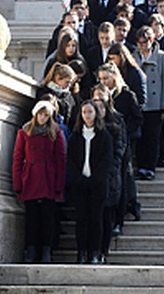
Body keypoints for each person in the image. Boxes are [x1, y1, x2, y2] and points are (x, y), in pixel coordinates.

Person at [13, 100, 66, 263]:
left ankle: (46, 250)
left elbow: (61, 159)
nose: (43, 118)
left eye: (46, 115)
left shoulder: (55, 132)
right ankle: (31, 249)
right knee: (32, 217)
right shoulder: (25, 132)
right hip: (30, 177)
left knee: (47, 218)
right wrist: (17, 183)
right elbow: (17, 158)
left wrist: (59, 185)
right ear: (35, 114)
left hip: (48, 177)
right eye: (41, 114)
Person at [66, 99, 113, 264]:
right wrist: (79, 179)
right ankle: (81, 252)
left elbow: (106, 161)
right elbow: (70, 161)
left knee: (96, 219)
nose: (87, 115)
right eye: (84, 112)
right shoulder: (75, 136)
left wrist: (94, 180)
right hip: (79, 185)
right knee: (81, 220)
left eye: (90, 112)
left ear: (96, 114)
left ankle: (94, 252)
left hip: (98, 185)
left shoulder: (104, 136)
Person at [98, 63, 143, 230]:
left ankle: (120, 218)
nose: (103, 82)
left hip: (123, 144)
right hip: (104, 144)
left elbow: (137, 117)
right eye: (101, 79)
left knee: (123, 182)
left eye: (106, 78)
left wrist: (124, 132)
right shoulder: (99, 96)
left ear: (114, 77)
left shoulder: (126, 95)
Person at [90, 85, 126, 264]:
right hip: (92, 180)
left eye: (101, 108)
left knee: (106, 218)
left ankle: (103, 251)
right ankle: (92, 251)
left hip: (109, 179)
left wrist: (108, 172)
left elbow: (120, 153)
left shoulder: (115, 128)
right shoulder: (88, 130)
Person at [133, 26, 164, 180]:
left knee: (153, 137)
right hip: (140, 104)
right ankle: (141, 167)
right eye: (139, 42)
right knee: (140, 138)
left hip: (156, 104)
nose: (142, 46)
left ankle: (150, 167)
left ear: (151, 41)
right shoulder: (134, 56)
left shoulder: (162, 57)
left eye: (144, 42)